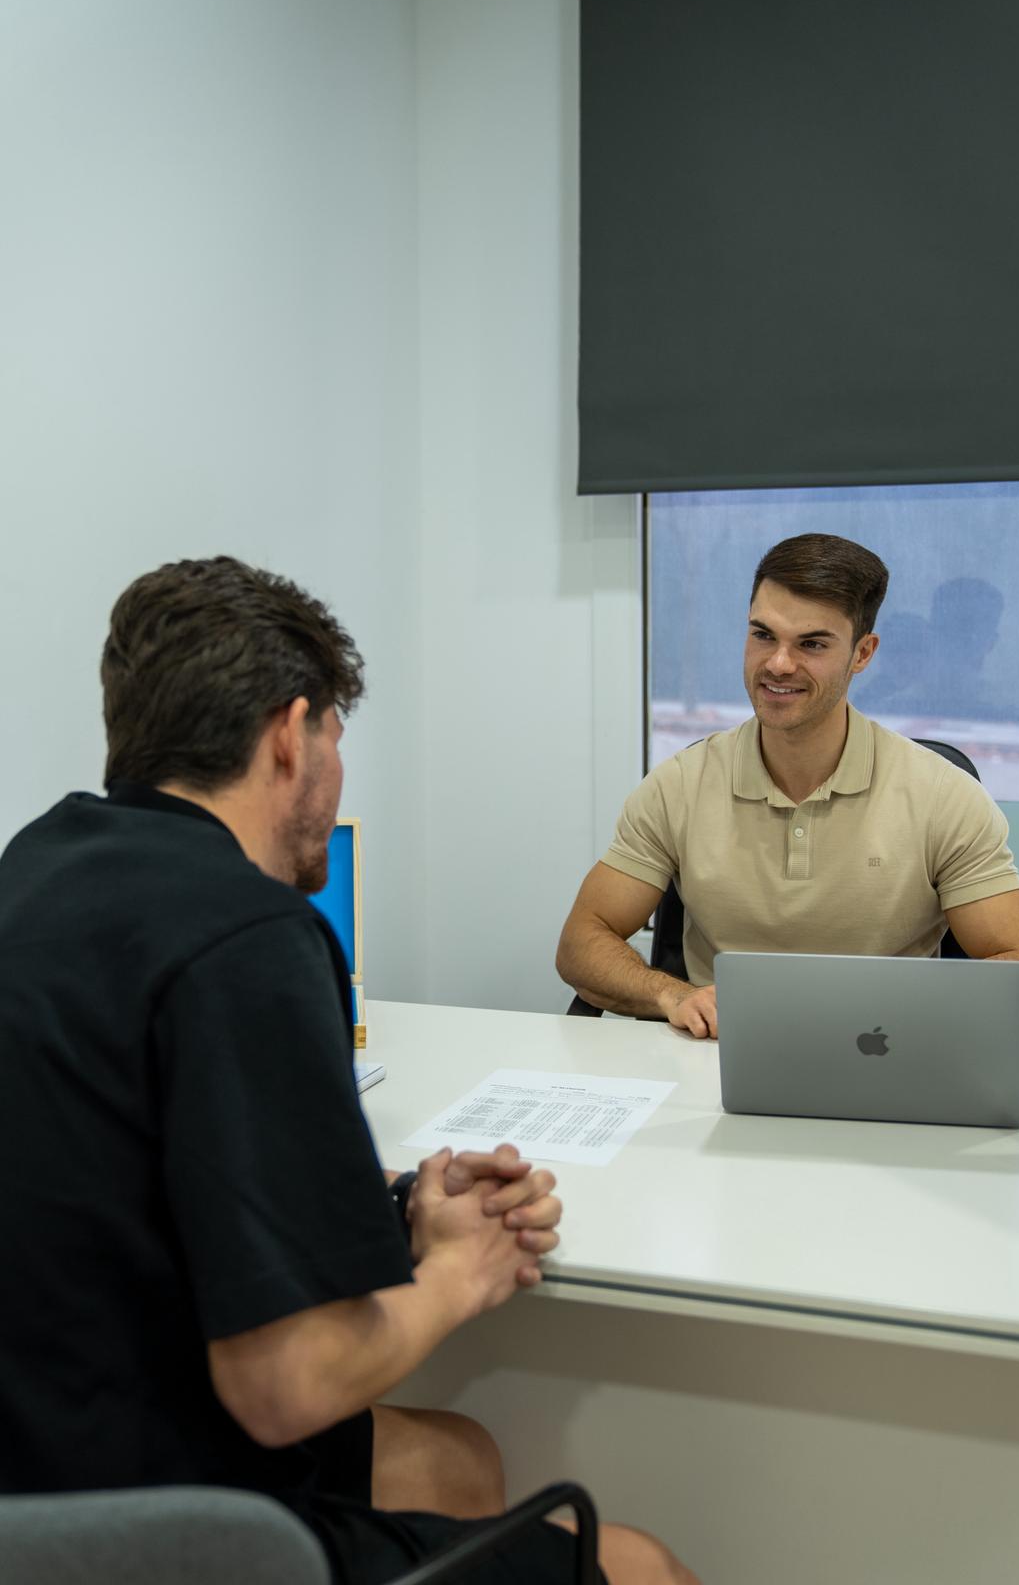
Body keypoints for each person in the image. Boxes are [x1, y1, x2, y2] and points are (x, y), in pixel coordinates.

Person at [0, 557, 697, 1585]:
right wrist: (461, 1271)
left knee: (460, 1461)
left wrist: (397, 1206)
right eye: (335, 740)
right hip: (145, 1515)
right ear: (293, 733)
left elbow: (132, 1173)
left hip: (41, 1444)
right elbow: (286, 1384)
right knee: (644, 1568)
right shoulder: (249, 935)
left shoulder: (37, 866)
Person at [557, 532, 1019, 1036]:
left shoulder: (942, 797)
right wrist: (673, 994)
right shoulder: (679, 785)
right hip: (716, 1058)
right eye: (763, 635)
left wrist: (888, 1011)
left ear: (862, 654)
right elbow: (581, 940)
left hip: (884, 1051)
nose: (778, 664)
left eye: (812, 644)